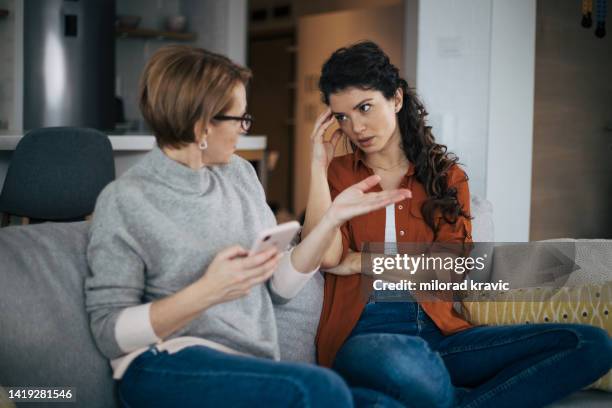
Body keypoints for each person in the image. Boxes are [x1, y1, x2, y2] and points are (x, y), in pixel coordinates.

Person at [85, 45, 413, 407]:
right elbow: (108, 332)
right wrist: (208, 290)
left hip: (246, 363)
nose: (244, 129)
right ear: (202, 126)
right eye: (239, 119)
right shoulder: (126, 199)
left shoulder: (240, 175)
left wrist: (332, 219)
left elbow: (280, 289)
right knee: (322, 391)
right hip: (167, 362)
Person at [302, 41, 612, 408]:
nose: (355, 126)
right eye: (342, 117)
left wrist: (362, 261)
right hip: (365, 339)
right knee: (401, 364)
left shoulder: (447, 178)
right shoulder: (338, 174)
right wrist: (318, 167)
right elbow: (325, 256)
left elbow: (448, 272)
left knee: (590, 344)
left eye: (364, 107)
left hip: (440, 335)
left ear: (396, 99)